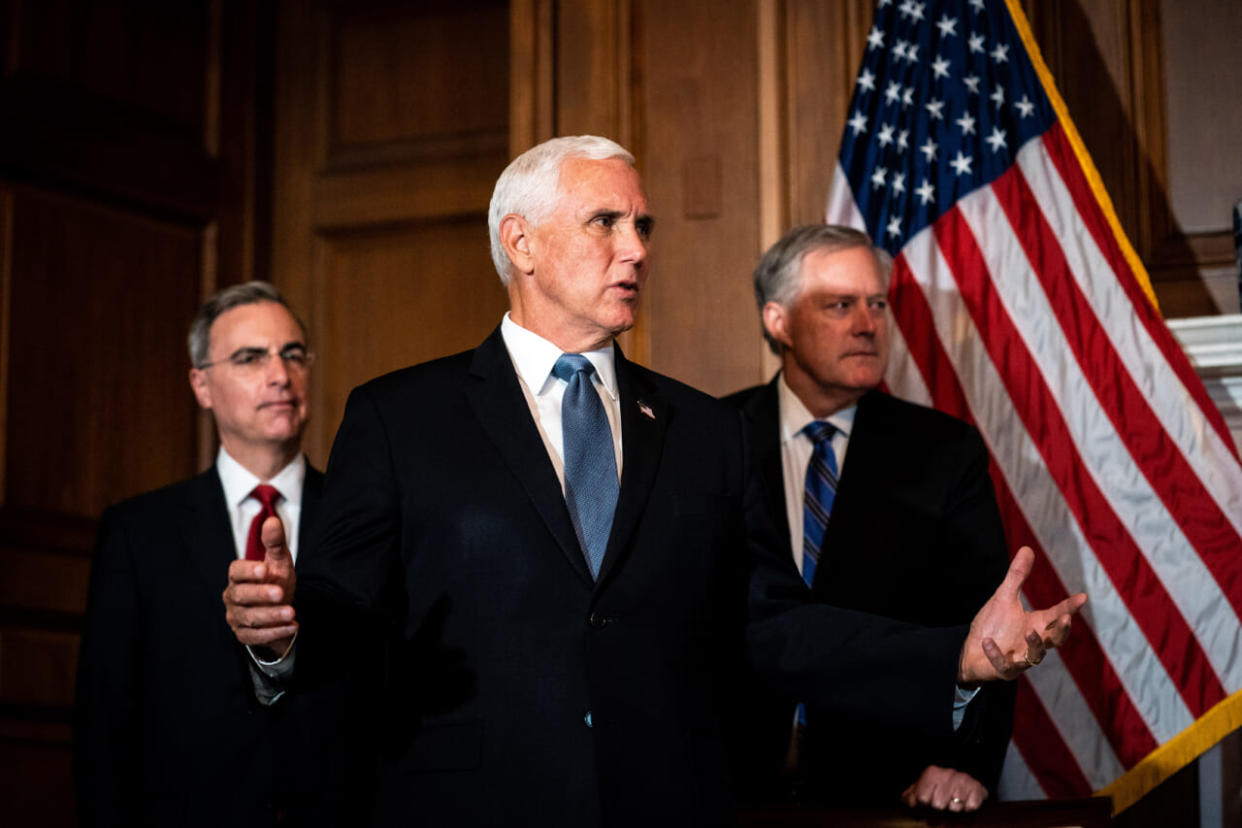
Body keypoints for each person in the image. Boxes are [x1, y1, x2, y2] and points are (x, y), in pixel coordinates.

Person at [223, 137, 1084, 827]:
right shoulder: (400, 417)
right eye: (606, 222)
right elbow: (348, 616)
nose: (635, 249)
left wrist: (955, 659)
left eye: (643, 226)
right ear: (520, 241)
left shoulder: (705, 430)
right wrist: (279, 633)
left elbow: (771, 626)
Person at [726, 224, 1015, 812]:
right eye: (840, 305)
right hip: (728, 787)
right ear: (777, 320)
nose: (867, 324)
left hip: (896, 789)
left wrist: (967, 762)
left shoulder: (944, 451)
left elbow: (990, 625)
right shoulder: (708, 439)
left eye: (876, 304)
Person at [74, 282, 324, 827]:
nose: (280, 374)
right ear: (201, 384)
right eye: (250, 358)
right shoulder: (138, 533)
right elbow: (106, 726)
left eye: (293, 354)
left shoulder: (365, 516)